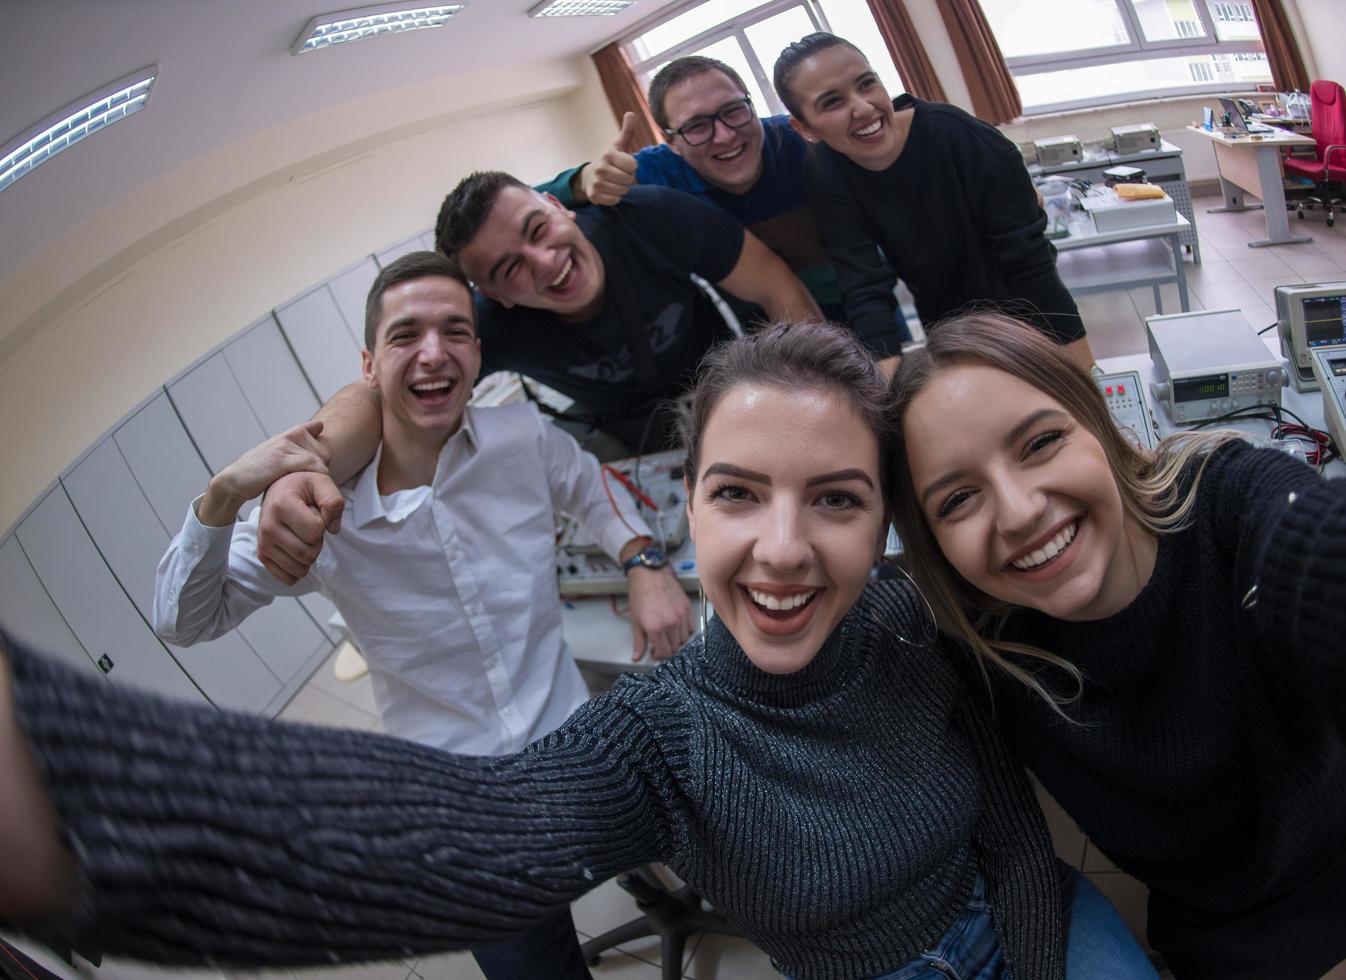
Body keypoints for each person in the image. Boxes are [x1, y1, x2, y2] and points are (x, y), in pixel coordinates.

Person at [0, 323, 1158, 979]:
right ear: (685, 505)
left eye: (837, 500)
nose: (782, 550)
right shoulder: (658, 733)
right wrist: (63, 794)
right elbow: (471, 842)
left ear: (883, 518)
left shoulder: (908, 619)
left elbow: (1005, 819)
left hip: (1031, 917)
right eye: (737, 493)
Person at [152, 251, 694, 979]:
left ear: (477, 351)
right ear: (369, 365)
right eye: (407, 335)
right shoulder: (317, 518)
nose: (434, 353)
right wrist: (220, 502)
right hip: (456, 800)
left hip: (576, 741)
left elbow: (589, 488)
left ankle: (664, 893)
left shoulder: (521, 440)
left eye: (456, 332)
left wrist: (642, 562)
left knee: (713, 833)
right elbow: (185, 620)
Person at [887, 311, 1346, 979]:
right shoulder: (986, 649)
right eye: (959, 498)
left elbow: (1313, 559)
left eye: (1040, 442)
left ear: (1098, 422)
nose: (1019, 512)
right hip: (1222, 941)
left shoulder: (1229, 503)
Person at [254, 170, 820, 584]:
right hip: (634, 442)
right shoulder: (490, 326)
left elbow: (776, 287)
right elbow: (382, 395)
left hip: (733, 395)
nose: (546, 262)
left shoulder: (650, 217)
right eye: (510, 269)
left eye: (538, 228)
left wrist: (819, 410)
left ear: (559, 204)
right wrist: (304, 467)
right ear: (493, 297)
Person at [535, 55, 908, 358]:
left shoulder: (802, 142)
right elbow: (516, 203)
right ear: (672, 142)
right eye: (697, 126)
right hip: (768, 342)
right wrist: (580, 182)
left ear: (753, 105)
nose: (725, 134)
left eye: (733, 110)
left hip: (870, 316)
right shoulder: (657, 174)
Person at [772, 33, 1096, 373]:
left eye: (867, 84)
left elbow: (1031, 264)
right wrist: (887, 401)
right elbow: (863, 283)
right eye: (832, 102)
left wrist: (1085, 372)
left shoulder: (960, 136)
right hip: (949, 333)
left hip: (1031, 322)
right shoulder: (825, 168)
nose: (863, 107)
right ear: (804, 128)